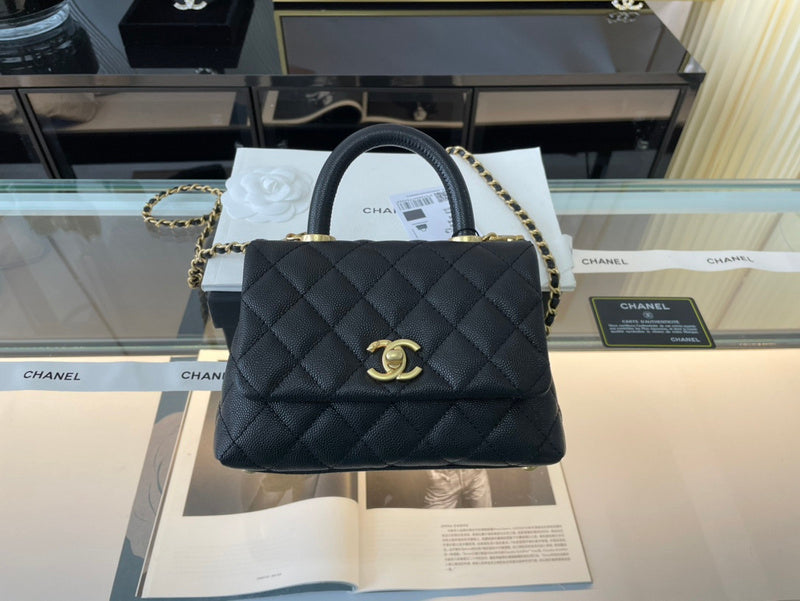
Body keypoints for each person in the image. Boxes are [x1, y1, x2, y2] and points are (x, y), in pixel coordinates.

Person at [423, 468, 492, 508]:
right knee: (435, 524)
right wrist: (430, 472)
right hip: (445, 477)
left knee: (483, 521)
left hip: (475, 472)